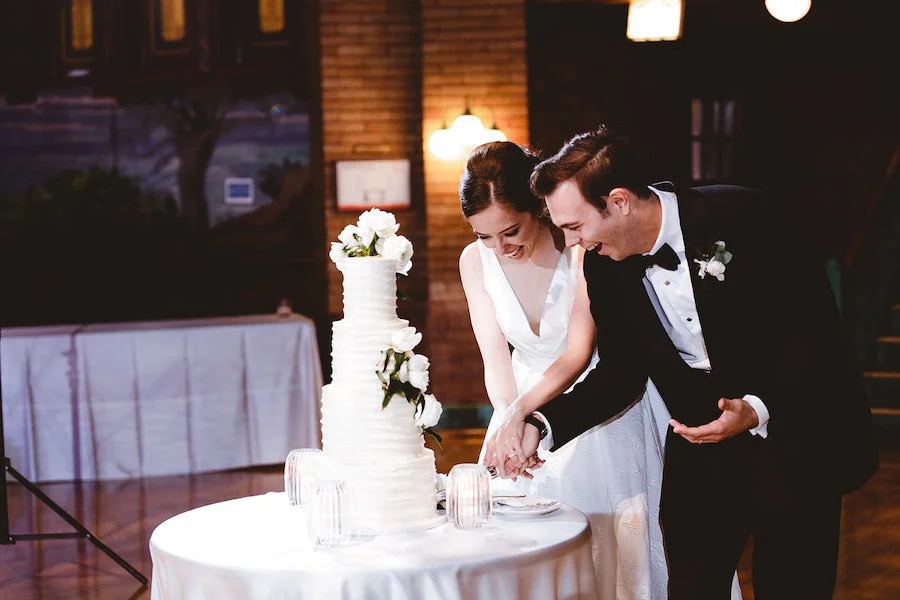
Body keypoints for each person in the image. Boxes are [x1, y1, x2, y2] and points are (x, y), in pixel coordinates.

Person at [494, 125, 879, 600]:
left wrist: (756, 407)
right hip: (701, 452)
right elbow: (619, 373)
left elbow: (813, 334)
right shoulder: (604, 261)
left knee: (794, 584)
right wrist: (540, 423)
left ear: (618, 201)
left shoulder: (747, 215)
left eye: (575, 226)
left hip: (794, 439)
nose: (572, 242)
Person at [458, 140, 672, 599]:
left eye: (510, 230)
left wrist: (527, 410)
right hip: (520, 398)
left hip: (593, 399)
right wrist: (507, 417)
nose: (500, 248)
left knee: (617, 542)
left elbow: (578, 351)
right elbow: (495, 357)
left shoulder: (582, 248)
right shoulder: (474, 262)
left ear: (537, 209)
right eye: (484, 236)